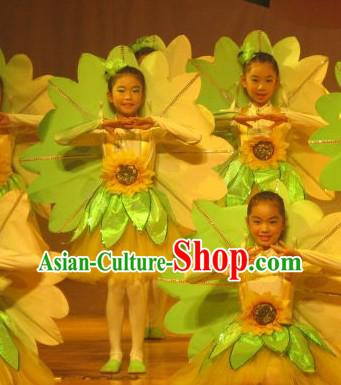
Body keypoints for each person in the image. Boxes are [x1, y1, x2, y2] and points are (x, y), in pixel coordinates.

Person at [23, 46, 230, 374]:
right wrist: (99, 124)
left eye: (135, 90)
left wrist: (158, 120)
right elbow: (63, 138)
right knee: (116, 284)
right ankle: (115, 351)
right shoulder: (106, 129)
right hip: (112, 213)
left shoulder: (151, 130)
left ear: (143, 95)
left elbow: (191, 138)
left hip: (145, 212)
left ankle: (136, 352)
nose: (129, 96)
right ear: (110, 95)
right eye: (122, 90)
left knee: (136, 283)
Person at [163, 190, 341, 385]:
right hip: (245, 337)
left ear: (283, 224)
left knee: (274, 376)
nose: (264, 228)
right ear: (248, 223)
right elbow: (190, 276)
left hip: (284, 338)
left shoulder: (289, 260)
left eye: (272, 222)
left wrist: (302, 255)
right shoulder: (242, 259)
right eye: (257, 221)